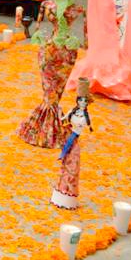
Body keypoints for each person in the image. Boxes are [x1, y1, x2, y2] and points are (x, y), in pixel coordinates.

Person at [18, 0, 89, 148]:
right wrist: (37, 35)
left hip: (67, 52)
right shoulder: (46, 4)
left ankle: (50, 127)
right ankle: (43, 126)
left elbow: (86, 30)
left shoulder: (77, 8)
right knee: (48, 89)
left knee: (57, 90)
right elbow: (38, 26)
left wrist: (83, 43)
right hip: (48, 48)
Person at [52, 78, 93, 210]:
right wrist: (61, 118)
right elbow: (64, 119)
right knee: (68, 160)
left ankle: (68, 192)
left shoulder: (85, 116)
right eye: (80, 100)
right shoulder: (73, 111)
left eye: (84, 100)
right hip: (70, 133)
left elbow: (85, 125)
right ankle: (62, 189)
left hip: (75, 137)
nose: (82, 102)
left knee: (72, 158)